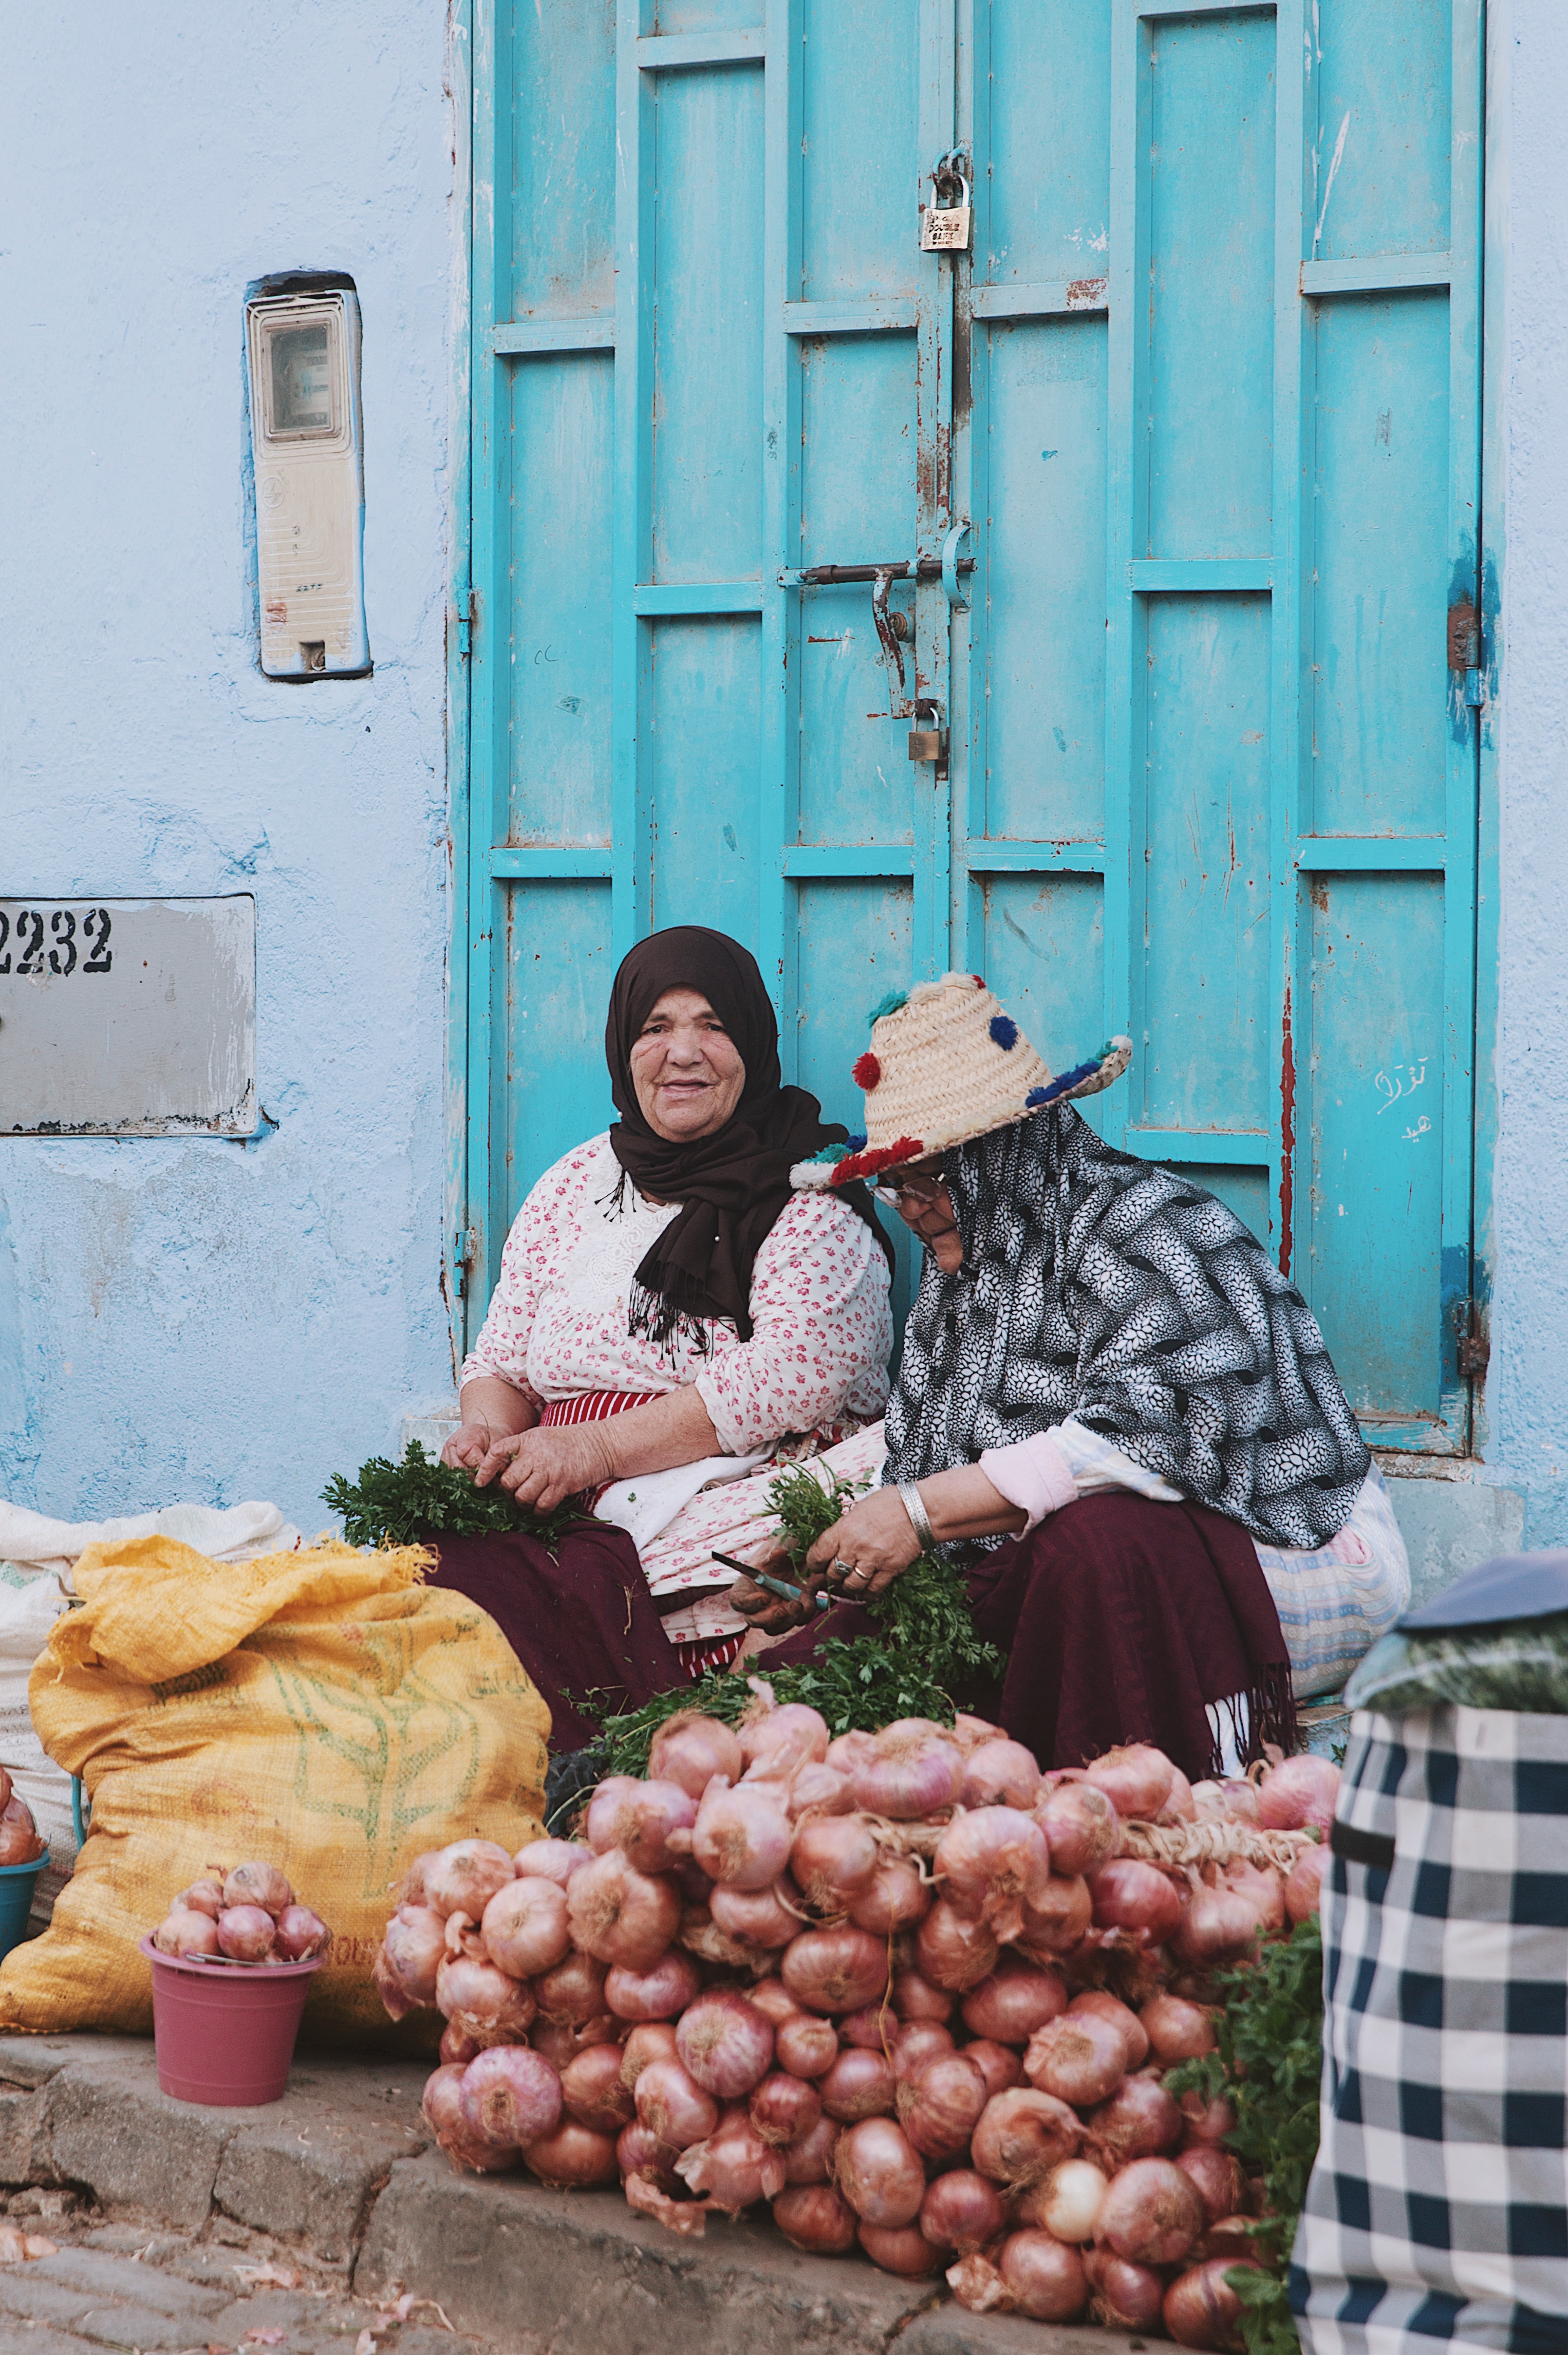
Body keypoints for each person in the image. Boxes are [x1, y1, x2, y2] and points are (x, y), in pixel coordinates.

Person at [733, 972, 1408, 1778]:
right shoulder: (961, 1282)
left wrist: (916, 1514)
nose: (908, 1209)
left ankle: (1125, 1806)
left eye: (926, 1181)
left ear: (1000, 1159)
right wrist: (834, 1559)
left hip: (1297, 1555)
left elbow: (1138, 1443)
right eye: (893, 1187)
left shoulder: (1149, 1224)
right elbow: (929, 1477)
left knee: (1092, 1546)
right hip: (1069, 1570)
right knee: (820, 1668)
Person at [428, 926, 894, 1747]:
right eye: (656, 1027)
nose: (683, 1053)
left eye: (713, 1025)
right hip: (560, 1489)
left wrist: (593, 1451)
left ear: (752, 1042)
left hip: (726, 1498)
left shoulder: (811, 1194)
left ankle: (640, 1757)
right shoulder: (573, 1183)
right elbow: (502, 1358)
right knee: (439, 1570)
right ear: (624, 1046)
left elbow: (790, 1376)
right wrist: (489, 1435)